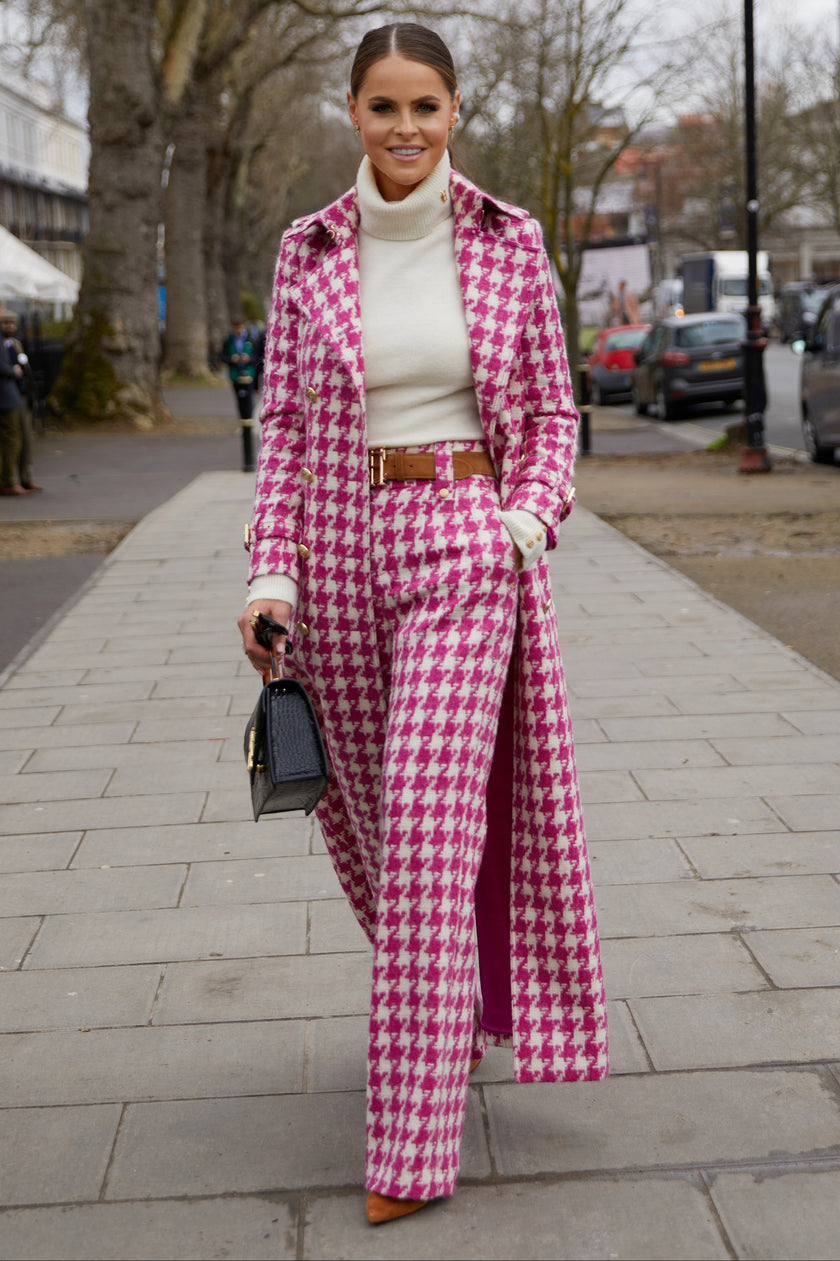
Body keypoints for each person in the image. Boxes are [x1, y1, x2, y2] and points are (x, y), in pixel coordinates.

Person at [237, 22, 608, 1225]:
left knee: (432, 830)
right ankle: (442, 1006)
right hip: (340, 560)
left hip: (465, 544)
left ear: (457, 112)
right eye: (384, 108)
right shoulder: (309, 251)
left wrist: (525, 523)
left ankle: (409, 1149)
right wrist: (267, 578)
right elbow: (284, 429)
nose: (406, 131)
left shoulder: (509, 239)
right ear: (352, 111)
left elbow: (554, 415)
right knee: (374, 831)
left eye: (427, 109)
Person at [0, 312, 36, 496]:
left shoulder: (16, 343)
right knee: (11, 439)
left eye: (12, 323)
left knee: (23, 438)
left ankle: (25, 478)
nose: (10, 326)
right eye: (5, 323)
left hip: (20, 396)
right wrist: (13, 372)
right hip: (7, 397)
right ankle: (8, 481)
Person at [219, 316, 258, 423]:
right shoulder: (228, 340)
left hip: (249, 373)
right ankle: (242, 418)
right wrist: (232, 359)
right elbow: (222, 356)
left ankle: (249, 417)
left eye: (240, 328)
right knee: (239, 397)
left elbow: (257, 356)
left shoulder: (251, 339)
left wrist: (248, 359)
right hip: (235, 374)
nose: (239, 331)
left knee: (248, 398)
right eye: (236, 328)